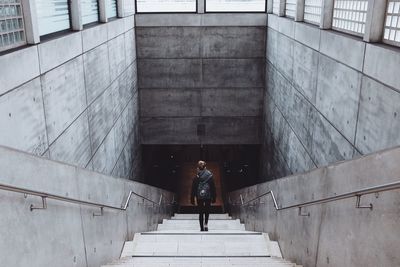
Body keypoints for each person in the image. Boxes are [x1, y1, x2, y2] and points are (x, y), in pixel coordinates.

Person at [191, 160, 216, 231]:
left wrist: (192, 198)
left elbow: (193, 188)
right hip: (208, 195)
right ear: (205, 167)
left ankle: (201, 227)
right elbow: (213, 187)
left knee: (201, 212)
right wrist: (214, 197)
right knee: (207, 211)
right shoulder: (210, 175)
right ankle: (206, 225)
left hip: (199, 196)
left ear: (198, 167)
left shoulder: (197, 176)